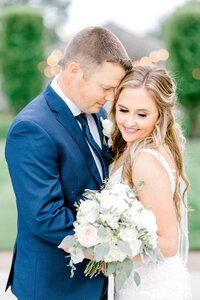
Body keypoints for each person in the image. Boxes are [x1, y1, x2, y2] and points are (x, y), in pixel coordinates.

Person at [5, 26, 132, 300]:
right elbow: (45, 216)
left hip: (95, 282)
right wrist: (115, 242)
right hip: (54, 286)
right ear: (75, 71)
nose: (111, 98)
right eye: (106, 88)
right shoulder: (32, 128)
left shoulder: (95, 115)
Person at [109, 65, 192, 300]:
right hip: (133, 281)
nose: (129, 122)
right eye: (123, 110)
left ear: (160, 115)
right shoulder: (131, 146)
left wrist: (102, 248)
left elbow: (168, 244)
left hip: (150, 289)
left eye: (142, 114)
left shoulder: (145, 159)